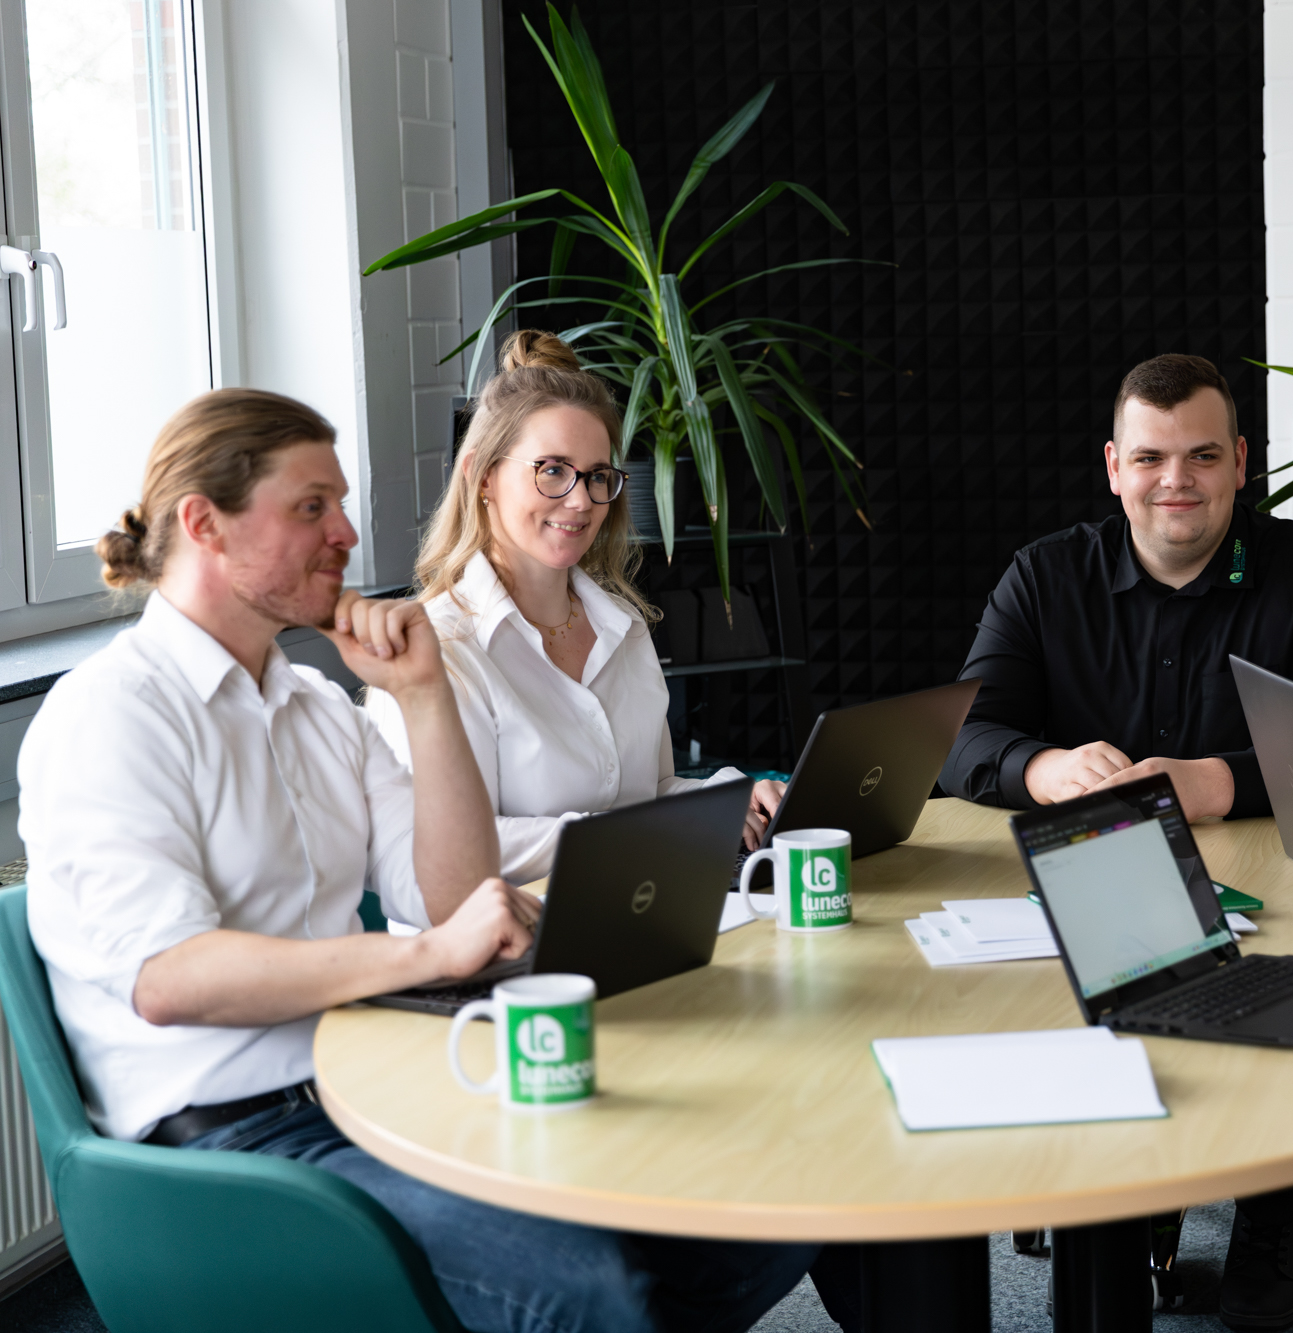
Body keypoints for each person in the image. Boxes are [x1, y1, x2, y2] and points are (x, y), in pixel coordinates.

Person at [21, 390, 815, 1333]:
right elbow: (169, 977)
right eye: (312, 506)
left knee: (754, 1206)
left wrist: (426, 693)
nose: (348, 533)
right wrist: (425, 957)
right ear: (205, 524)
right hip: (237, 1143)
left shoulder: (315, 705)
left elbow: (456, 896)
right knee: (585, 1287)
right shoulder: (111, 713)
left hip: (379, 1081)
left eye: (340, 503)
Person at [938, 353, 1293, 1331]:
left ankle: (1270, 1212)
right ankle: (1127, 1196)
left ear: (1240, 462)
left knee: (1290, 983)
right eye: (1149, 458)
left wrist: (1205, 782)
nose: (1175, 480)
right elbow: (963, 737)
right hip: (1102, 883)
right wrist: (1044, 768)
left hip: (1280, 887)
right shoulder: (1044, 575)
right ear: (1114, 467)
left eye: (1201, 455)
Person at [366, 331, 784, 884]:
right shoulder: (438, 650)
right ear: (482, 476)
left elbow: (649, 792)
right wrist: (640, 835)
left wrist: (726, 799)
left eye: (597, 476)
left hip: (629, 903)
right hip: (509, 931)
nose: (582, 500)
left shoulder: (624, 627)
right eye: (552, 470)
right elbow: (445, 848)